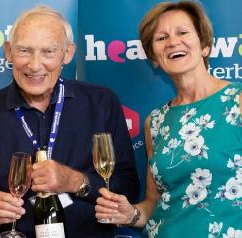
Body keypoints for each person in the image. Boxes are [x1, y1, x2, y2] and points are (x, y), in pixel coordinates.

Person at [0, 5, 140, 238]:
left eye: (48, 52)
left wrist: (76, 182)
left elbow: (129, 187)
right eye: (24, 51)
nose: (35, 65)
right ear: (8, 51)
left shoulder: (102, 103)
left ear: (67, 53)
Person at [95, 1, 242, 237]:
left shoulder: (238, 100)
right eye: (161, 38)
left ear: (205, 46)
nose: (173, 42)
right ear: (154, 57)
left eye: (183, 32)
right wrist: (129, 213)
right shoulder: (155, 121)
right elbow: (154, 203)